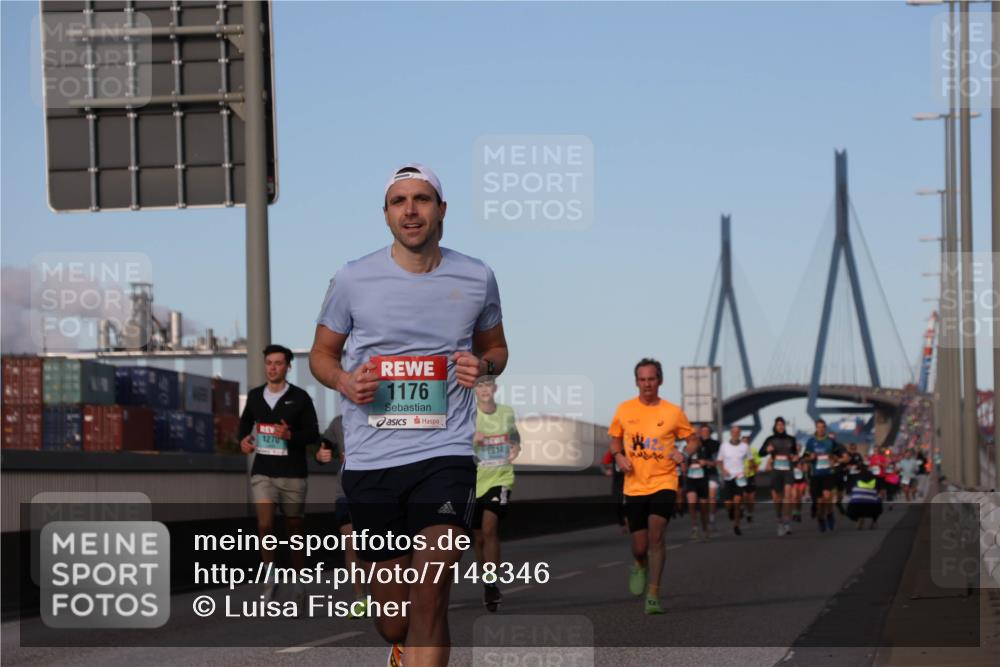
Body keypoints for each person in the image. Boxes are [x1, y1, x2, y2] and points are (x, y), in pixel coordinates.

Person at [310, 163, 508, 667]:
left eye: (421, 199)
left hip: (445, 453)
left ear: (441, 210)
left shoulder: (477, 275)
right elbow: (321, 355)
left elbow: (497, 348)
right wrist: (343, 380)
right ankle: (400, 647)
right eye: (399, 201)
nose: (411, 210)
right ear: (386, 214)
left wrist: (482, 365)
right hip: (373, 461)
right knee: (395, 617)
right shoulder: (353, 278)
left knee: (431, 593)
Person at [608, 358, 698, 615]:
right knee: (640, 546)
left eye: (652, 379)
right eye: (643, 379)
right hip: (634, 485)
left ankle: (654, 593)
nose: (647, 384)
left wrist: (685, 454)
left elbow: (691, 440)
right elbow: (615, 439)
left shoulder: (672, 411)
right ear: (637, 382)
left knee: (657, 538)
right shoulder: (624, 410)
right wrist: (618, 456)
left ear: (660, 380)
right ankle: (639, 564)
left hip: (664, 481)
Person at [238, 344, 321, 605]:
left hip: (293, 473)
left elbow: (313, 434)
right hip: (263, 471)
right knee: (264, 525)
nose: (272, 368)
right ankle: (270, 575)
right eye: (269, 363)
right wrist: (244, 441)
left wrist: (291, 435)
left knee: (294, 528)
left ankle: (297, 581)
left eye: (278, 363)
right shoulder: (254, 397)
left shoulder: (300, 397)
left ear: (288, 367)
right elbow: (243, 426)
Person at [471, 376, 521, 612]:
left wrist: (515, 446)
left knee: (490, 528)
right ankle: (486, 581)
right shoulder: (468, 415)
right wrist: (471, 439)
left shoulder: (506, 412)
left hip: (500, 477)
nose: (483, 389)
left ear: (494, 388)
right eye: (479, 385)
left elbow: (514, 434)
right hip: (473, 480)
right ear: (474, 389)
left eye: (487, 384)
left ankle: (492, 584)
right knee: (478, 538)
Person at [317, 415, 369, 617]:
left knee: (372, 545)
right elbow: (324, 447)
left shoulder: (381, 416)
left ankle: (384, 594)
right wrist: (321, 455)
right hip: (345, 492)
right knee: (351, 541)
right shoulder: (338, 422)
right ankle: (360, 598)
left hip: (375, 491)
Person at [803, 418, 843, 533]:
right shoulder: (810, 442)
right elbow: (805, 457)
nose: (820, 429)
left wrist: (835, 459)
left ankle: (830, 514)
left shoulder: (830, 441)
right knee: (820, 502)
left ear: (825, 428)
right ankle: (821, 518)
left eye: (823, 427)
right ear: (816, 428)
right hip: (816, 476)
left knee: (828, 497)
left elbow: (839, 456)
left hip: (828, 474)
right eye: (818, 427)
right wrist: (810, 458)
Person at [762, 416, 798, 536]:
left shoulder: (791, 439)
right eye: (778, 425)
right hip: (776, 471)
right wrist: (767, 450)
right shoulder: (770, 439)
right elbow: (761, 453)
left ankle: (787, 522)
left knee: (788, 495)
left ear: (784, 426)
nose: (781, 427)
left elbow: (795, 455)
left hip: (788, 470)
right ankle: (779, 521)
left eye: (782, 425)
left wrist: (795, 457)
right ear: (775, 426)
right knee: (777, 499)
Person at [683, 425, 719, 541]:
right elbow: (682, 462)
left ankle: (705, 528)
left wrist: (706, 462)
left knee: (703, 508)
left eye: (696, 433)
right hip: (691, 479)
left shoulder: (706, 447)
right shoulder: (686, 448)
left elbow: (715, 462)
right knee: (691, 503)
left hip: (703, 478)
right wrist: (683, 466)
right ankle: (694, 528)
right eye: (692, 434)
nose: (694, 436)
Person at [717, 425, 751, 536]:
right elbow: (719, 461)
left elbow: (751, 461)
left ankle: (736, 525)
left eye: (737, 432)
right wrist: (723, 470)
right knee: (728, 504)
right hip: (728, 477)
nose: (735, 434)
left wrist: (747, 469)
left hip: (739, 477)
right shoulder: (724, 446)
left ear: (740, 434)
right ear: (731, 433)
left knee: (737, 502)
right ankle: (730, 510)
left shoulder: (745, 446)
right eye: (733, 432)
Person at [695, 423, 722, 534]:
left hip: (712, 473)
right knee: (702, 501)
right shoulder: (696, 444)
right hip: (698, 474)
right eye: (703, 431)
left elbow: (719, 460)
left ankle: (712, 518)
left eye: (707, 431)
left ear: (710, 432)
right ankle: (704, 521)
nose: (704, 433)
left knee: (712, 497)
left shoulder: (716, 444)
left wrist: (708, 462)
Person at [845, 463, 882, 529]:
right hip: (872, 505)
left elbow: (849, 492)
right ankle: (874, 521)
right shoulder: (874, 477)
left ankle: (859, 518)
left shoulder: (853, 477)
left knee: (853, 502)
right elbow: (879, 491)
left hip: (857, 504)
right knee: (878, 501)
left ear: (858, 470)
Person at [601, 448, 628, 532]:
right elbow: (604, 464)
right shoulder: (613, 451)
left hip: (631, 480)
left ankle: (632, 522)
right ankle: (622, 523)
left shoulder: (632, 450)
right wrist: (607, 470)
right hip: (618, 482)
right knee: (617, 503)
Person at [741, 434, 760, 525]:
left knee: (751, 499)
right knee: (743, 495)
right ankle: (743, 508)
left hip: (751, 476)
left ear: (749, 442)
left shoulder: (753, 451)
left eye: (746, 442)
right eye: (743, 441)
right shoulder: (738, 452)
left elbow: (757, 464)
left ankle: (750, 513)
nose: (745, 443)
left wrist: (752, 468)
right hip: (741, 476)